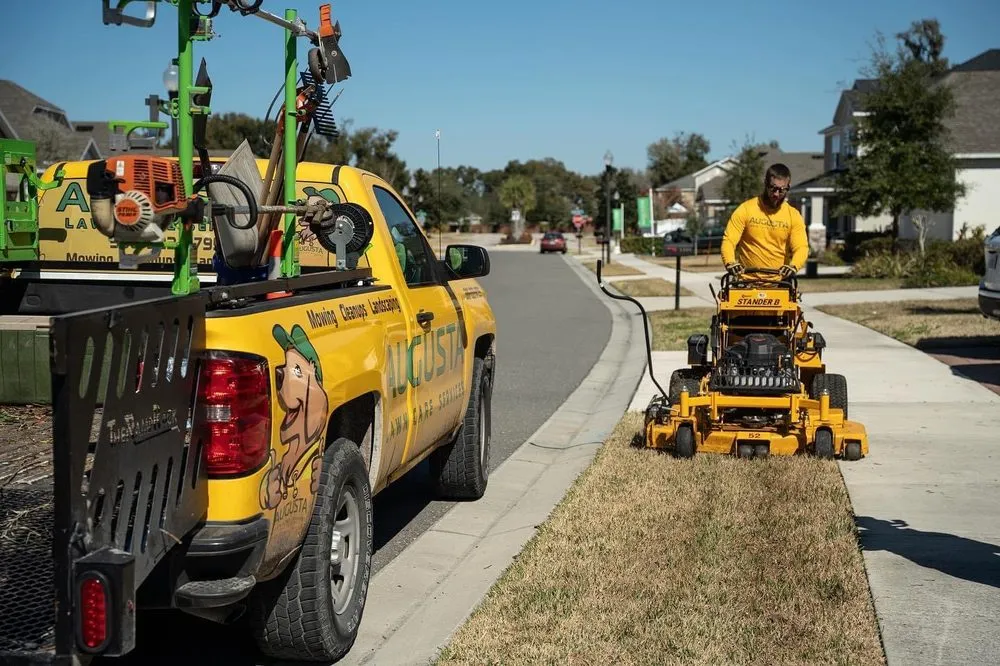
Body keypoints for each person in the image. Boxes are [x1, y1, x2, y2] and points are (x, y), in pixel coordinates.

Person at [720, 163, 808, 280]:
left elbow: (801, 247)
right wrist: (730, 262)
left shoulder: (793, 216)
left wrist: (793, 266)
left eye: (782, 190)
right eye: (773, 188)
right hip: (746, 284)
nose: (776, 194)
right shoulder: (746, 209)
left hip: (780, 284)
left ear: (788, 187)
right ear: (765, 183)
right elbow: (729, 241)